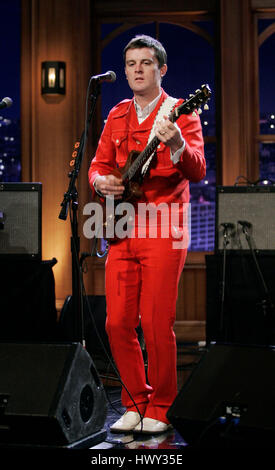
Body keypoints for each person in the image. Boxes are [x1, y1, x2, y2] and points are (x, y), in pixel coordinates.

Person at [88, 34, 205, 434]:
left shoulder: (180, 113)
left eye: (146, 63)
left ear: (162, 69)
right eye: (132, 64)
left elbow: (197, 169)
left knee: (156, 322)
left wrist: (176, 146)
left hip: (164, 227)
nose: (138, 70)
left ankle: (162, 406)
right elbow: (97, 166)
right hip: (122, 226)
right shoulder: (117, 114)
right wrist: (100, 182)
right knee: (117, 322)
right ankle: (135, 400)